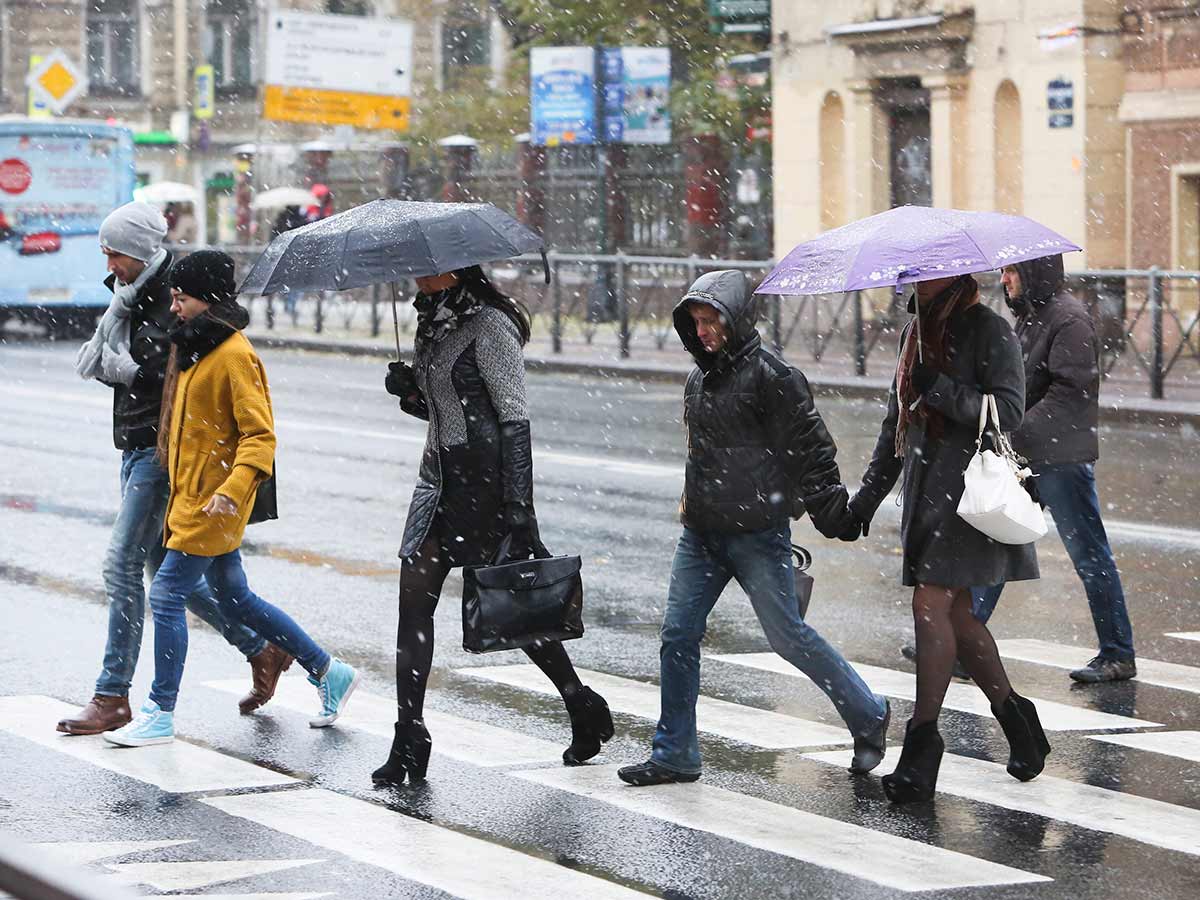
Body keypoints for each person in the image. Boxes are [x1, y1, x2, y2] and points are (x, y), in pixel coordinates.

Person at [616, 270, 891, 788]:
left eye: (712, 321)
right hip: (700, 534)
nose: (703, 332)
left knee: (788, 638)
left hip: (757, 533)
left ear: (737, 320)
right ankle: (675, 753)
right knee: (678, 635)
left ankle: (869, 713)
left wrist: (834, 513)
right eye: (696, 322)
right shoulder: (699, 378)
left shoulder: (773, 377)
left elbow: (812, 451)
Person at [104, 250, 358, 747]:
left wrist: (232, 490)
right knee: (235, 596)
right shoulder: (195, 347)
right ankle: (329, 671)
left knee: (166, 594)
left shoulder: (234, 355)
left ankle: (160, 711)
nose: (173, 307)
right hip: (192, 497)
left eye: (182, 298)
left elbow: (259, 436)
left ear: (208, 299)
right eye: (173, 297)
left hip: (214, 501)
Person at [371, 265, 613, 786]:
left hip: (485, 489)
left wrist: (519, 509)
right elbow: (448, 411)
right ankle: (409, 735)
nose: (415, 275)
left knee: (511, 610)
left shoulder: (490, 324)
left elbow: (513, 420)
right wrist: (411, 394)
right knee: (413, 607)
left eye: (426, 268)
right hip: (438, 483)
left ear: (454, 269)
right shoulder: (432, 323)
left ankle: (580, 701)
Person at [58, 205, 290, 737]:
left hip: (158, 452)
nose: (109, 264)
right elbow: (137, 367)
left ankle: (112, 696)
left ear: (139, 251)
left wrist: (126, 372)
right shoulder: (129, 297)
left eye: (114, 253)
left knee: (121, 566)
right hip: (133, 444)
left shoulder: (176, 299)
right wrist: (120, 370)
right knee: (165, 575)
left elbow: (173, 375)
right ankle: (261, 647)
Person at [845, 274, 1050, 803]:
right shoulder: (913, 334)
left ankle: (921, 747)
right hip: (925, 496)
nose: (913, 280)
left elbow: (1009, 411)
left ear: (953, 273)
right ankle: (1019, 721)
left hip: (966, 499)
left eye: (923, 272)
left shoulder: (990, 330)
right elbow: (895, 426)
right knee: (958, 617)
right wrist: (865, 500)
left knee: (930, 605)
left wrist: (939, 387)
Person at [971, 255, 1135, 683]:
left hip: (1061, 458)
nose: (1004, 279)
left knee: (1089, 555)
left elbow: (1069, 392)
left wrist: (1015, 430)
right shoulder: (1034, 316)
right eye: (1004, 271)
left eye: (1011, 271)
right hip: (1032, 454)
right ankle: (962, 644)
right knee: (999, 542)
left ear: (1034, 273)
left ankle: (1118, 653)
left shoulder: (1068, 319)